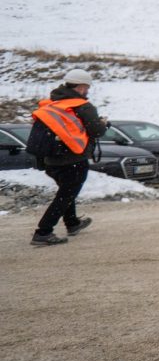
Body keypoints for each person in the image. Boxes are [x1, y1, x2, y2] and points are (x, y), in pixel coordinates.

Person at [28, 69, 107, 246]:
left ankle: (72, 223)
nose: (87, 91)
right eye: (86, 87)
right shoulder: (82, 106)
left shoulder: (51, 105)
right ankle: (43, 232)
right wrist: (103, 124)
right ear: (80, 88)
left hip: (50, 159)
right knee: (66, 194)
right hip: (72, 158)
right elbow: (97, 131)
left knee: (66, 191)